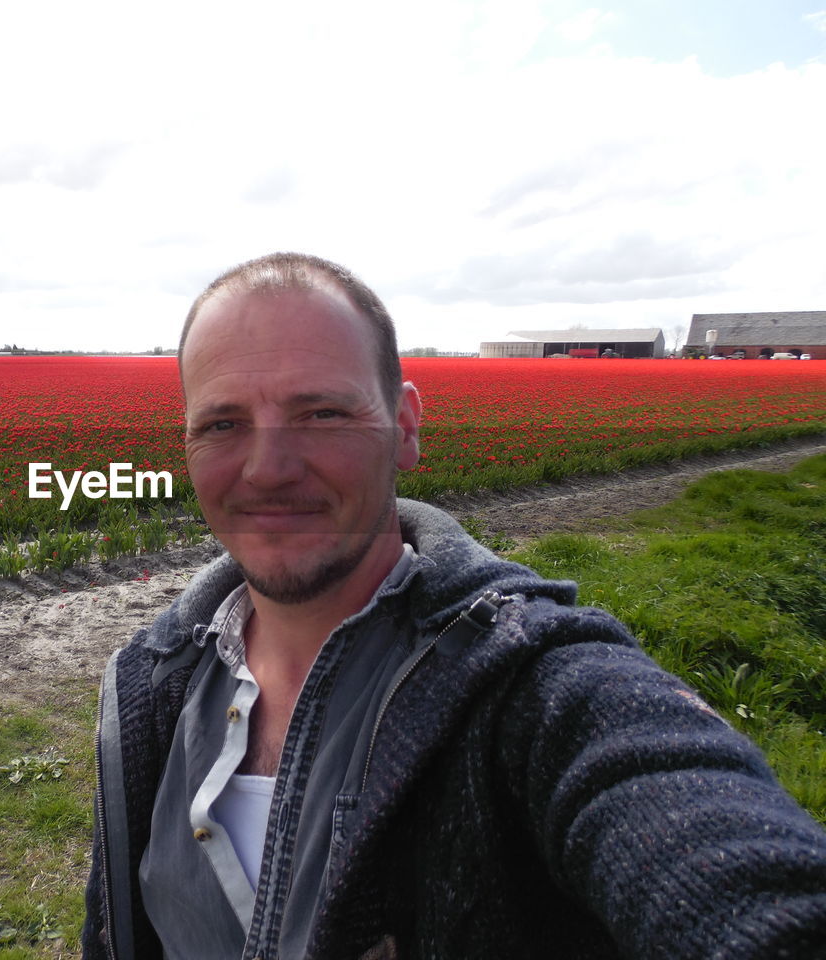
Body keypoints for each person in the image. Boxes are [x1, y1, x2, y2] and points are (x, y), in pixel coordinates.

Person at [82, 252, 826, 959]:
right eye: (222, 424)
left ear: (404, 427)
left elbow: (711, 850)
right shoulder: (153, 687)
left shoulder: (527, 690)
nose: (268, 469)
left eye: (322, 414)